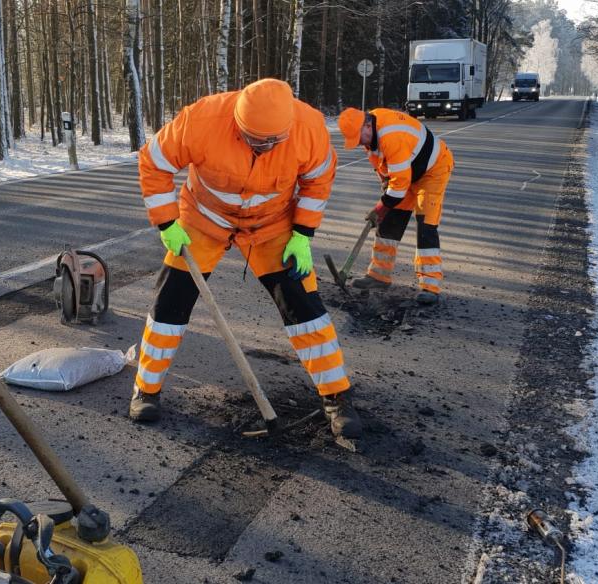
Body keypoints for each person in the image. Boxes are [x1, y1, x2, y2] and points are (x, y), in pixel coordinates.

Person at [130, 78, 360, 439]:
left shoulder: (309, 128)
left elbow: (318, 182)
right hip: (204, 219)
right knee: (171, 299)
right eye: (254, 139)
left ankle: (337, 397)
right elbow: (153, 162)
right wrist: (167, 221)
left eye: (272, 142)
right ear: (238, 121)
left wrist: (302, 234)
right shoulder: (202, 118)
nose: (263, 147)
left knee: (303, 304)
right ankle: (147, 389)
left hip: (272, 224)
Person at [336, 107, 454, 304]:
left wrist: (380, 207)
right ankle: (379, 277)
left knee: (426, 225)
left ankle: (430, 286)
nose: (359, 143)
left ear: (367, 125)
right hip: (406, 172)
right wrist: (384, 187)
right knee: (390, 222)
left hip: (432, 171)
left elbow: (399, 185)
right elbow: (382, 168)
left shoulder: (391, 135)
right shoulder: (371, 133)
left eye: (358, 138)